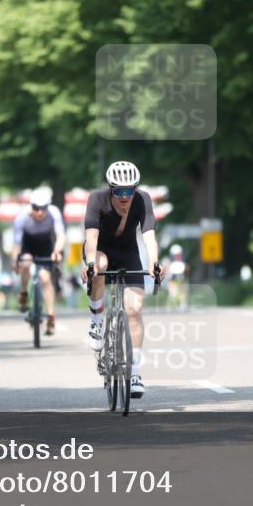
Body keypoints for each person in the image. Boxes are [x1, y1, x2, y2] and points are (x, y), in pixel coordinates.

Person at [83, 161, 162, 399]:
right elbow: (91, 238)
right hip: (101, 251)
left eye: (130, 190)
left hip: (128, 253)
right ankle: (97, 321)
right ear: (110, 189)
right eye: (119, 191)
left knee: (135, 310)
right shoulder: (97, 200)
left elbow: (149, 237)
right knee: (100, 265)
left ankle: (135, 373)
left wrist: (154, 263)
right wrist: (89, 264)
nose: (125, 196)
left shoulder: (143, 200)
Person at [10, 186, 65, 335]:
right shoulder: (22, 217)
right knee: (26, 263)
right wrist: (15, 260)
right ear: (31, 206)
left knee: (46, 278)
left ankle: (51, 317)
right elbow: (17, 243)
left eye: (43, 208)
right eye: (36, 208)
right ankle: (23, 292)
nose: (40, 212)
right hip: (28, 245)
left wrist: (57, 251)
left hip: (45, 245)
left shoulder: (54, 213)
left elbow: (60, 235)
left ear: (48, 207)